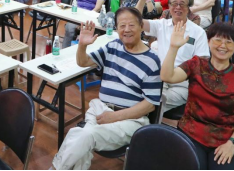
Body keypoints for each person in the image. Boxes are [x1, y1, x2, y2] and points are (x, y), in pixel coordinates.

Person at [53, 10, 161, 170]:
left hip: (130, 120)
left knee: (84, 135)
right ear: (116, 28)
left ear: (141, 27)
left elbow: (150, 105)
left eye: (131, 25)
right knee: (81, 141)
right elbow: (83, 62)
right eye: (122, 26)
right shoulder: (113, 46)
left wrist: (114, 116)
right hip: (100, 109)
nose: (127, 30)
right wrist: (82, 45)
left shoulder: (152, 60)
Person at [161, 21, 234, 170]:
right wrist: (173, 47)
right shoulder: (196, 64)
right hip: (190, 132)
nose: (223, 46)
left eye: (229, 42)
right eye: (218, 40)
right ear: (209, 42)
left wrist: (232, 143)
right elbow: (168, 76)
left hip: (224, 140)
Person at [143, 0, 210, 112]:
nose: (178, 7)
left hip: (183, 81)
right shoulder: (161, 25)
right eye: (174, 4)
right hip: (160, 76)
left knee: (156, 102)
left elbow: (202, 62)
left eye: (182, 4)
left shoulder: (198, 32)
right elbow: (135, 22)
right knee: (149, 100)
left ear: (188, 8)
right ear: (169, 6)